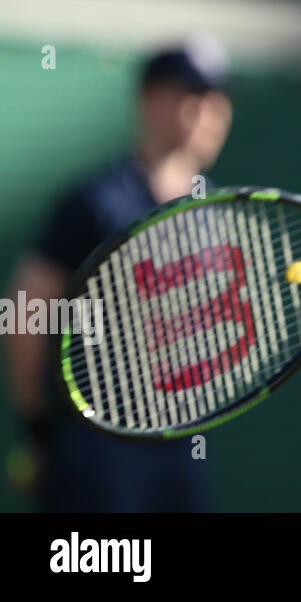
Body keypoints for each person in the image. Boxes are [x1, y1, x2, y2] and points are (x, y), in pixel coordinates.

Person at [3, 37, 234, 511]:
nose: (208, 112)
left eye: (218, 99)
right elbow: (24, 309)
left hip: (181, 445)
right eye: (192, 95)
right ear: (148, 99)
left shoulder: (214, 210)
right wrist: (38, 424)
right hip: (97, 447)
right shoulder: (94, 202)